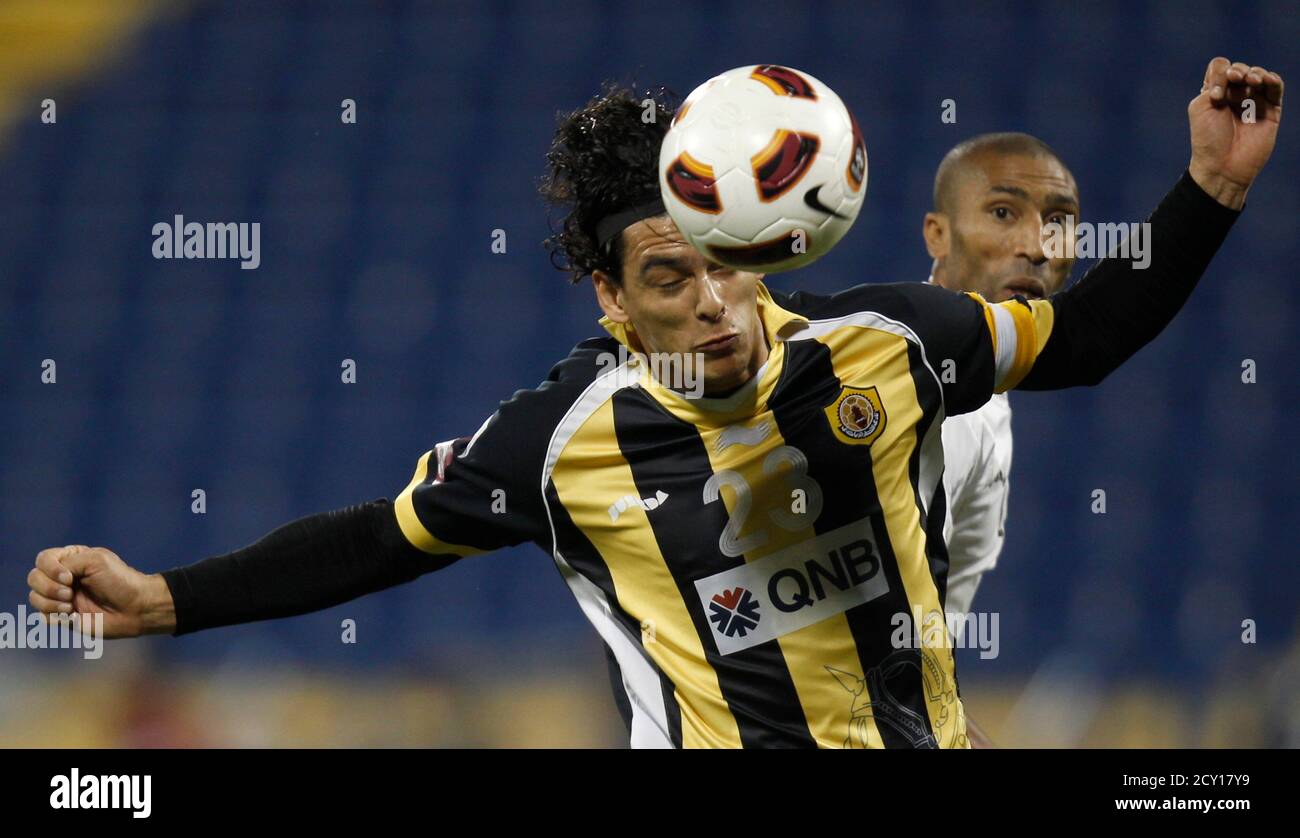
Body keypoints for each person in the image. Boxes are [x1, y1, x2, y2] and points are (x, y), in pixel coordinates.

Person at [26, 58, 1282, 748]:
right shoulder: (557, 442)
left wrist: (1208, 187)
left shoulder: (893, 346)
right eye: (670, 279)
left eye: (727, 262)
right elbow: (373, 541)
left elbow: (1090, 338)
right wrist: (170, 599)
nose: (713, 304)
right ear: (612, 299)